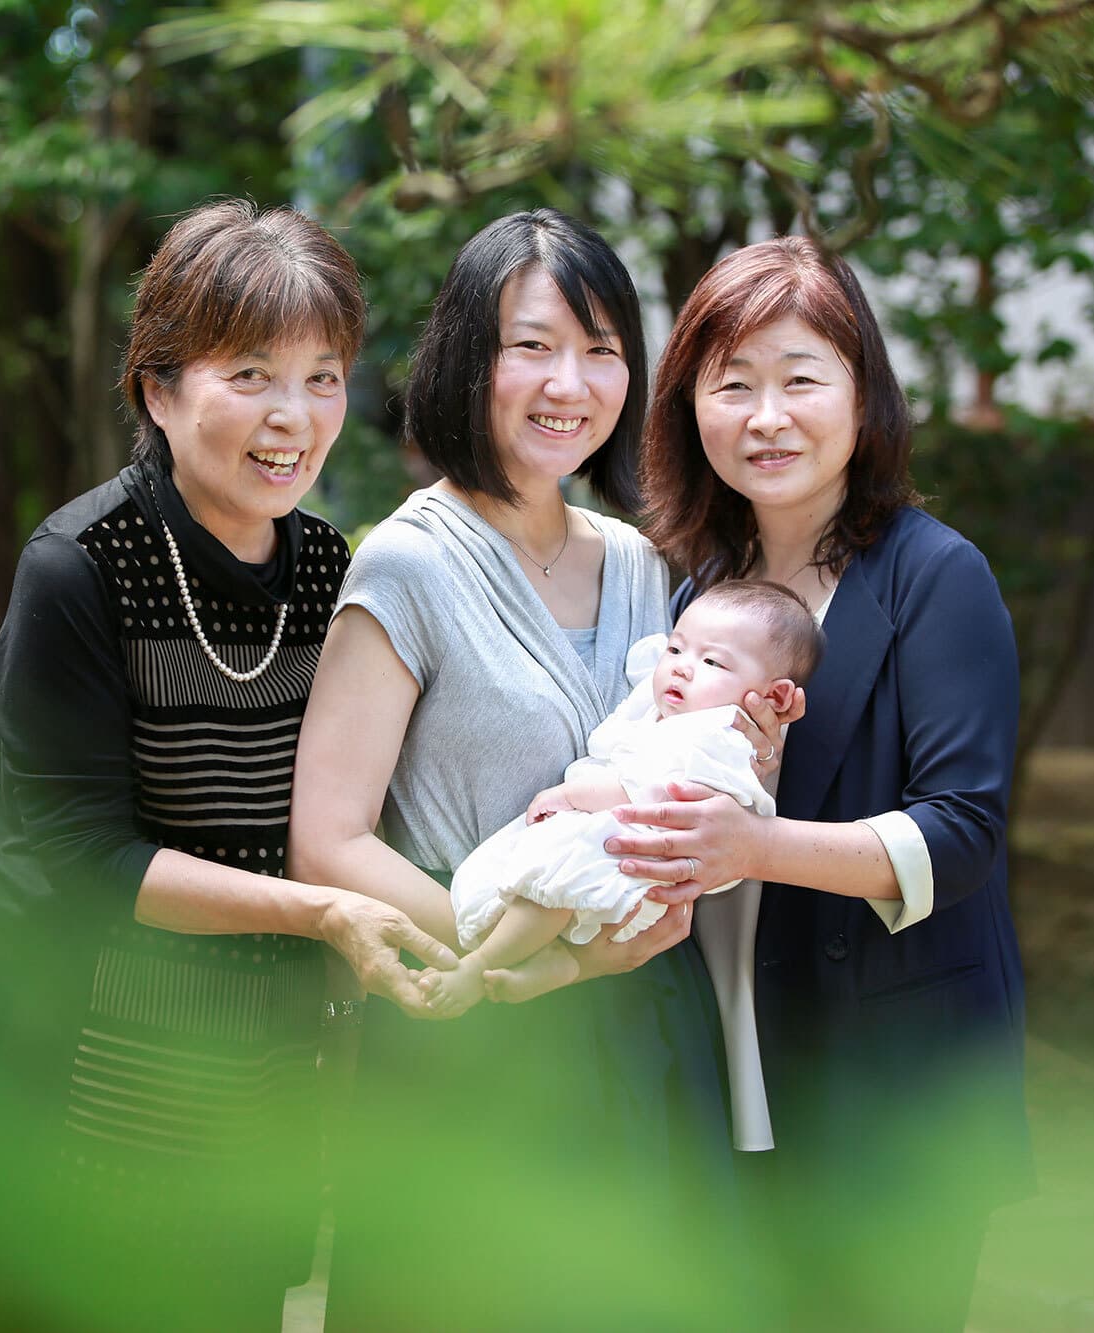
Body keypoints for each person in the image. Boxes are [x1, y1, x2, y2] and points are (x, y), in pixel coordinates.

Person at [0, 200, 458, 1333]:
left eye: (321, 375)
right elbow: (72, 851)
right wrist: (317, 913)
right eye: (250, 373)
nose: (292, 416)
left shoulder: (325, 569)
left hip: (245, 1065)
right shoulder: (80, 566)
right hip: (61, 1065)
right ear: (159, 391)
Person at [290, 208, 792, 1331]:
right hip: (471, 1039)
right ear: (469, 358)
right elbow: (326, 838)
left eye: (601, 348)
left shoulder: (642, 562)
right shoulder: (407, 561)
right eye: (532, 344)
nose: (569, 380)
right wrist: (522, 954)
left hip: (645, 1036)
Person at [628, 234, 1032, 1330]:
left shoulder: (933, 575)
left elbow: (960, 834)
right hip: (731, 1060)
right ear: (687, 408)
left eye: (799, 379)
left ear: (862, 399)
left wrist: (749, 846)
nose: (766, 417)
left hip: (889, 1084)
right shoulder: (694, 594)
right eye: (731, 385)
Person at [426, 580, 825, 1017]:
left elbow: (647, 791)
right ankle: (561, 963)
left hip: (637, 861)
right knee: (550, 885)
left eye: (712, 661)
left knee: (554, 881)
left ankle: (475, 969)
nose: (682, 668)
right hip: (625, 859)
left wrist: (570, 793)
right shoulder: (675, 711)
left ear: (774, 695)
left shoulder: (719, 735)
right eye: (676, 650)